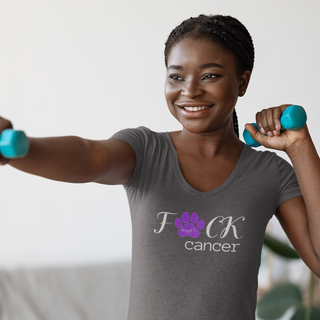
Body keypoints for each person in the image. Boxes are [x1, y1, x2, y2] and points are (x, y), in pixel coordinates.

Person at [1, 14, 320, 320]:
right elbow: (90, 156)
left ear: (242, 81)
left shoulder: (270, 173)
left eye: (209, 75)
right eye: (176, 76)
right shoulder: (145, 151)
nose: (190, 90)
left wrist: (300, 146)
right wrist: (19, 151)